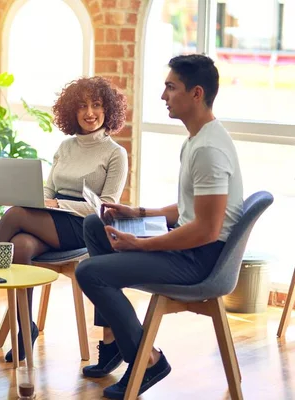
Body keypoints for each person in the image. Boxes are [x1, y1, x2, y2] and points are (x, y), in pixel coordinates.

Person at [75, 54, 244, 399]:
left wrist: (140, 245)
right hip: (191, 247)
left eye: (170, 87)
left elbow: (206, 230)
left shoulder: (210, 149)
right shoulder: (197, 140)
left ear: (196, 93)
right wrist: (136, 212)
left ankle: (146, 360)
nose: (163, 96)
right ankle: (122, 344)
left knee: (90, 273)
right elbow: (189, 209)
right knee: (96, 224)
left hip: (200, 259)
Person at [0, 76, 129, 362]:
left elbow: (107, 208)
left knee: (15, 214)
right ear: (72, 112)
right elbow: (48, 188)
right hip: (50, 218)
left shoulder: (116, 153)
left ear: (108, 109)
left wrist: (57, 204)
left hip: (83, 225)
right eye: (82, 106)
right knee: (21, 247)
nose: (90, 113)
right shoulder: (66, 147)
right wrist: (38, 200)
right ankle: (25, 327)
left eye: (97, 105)